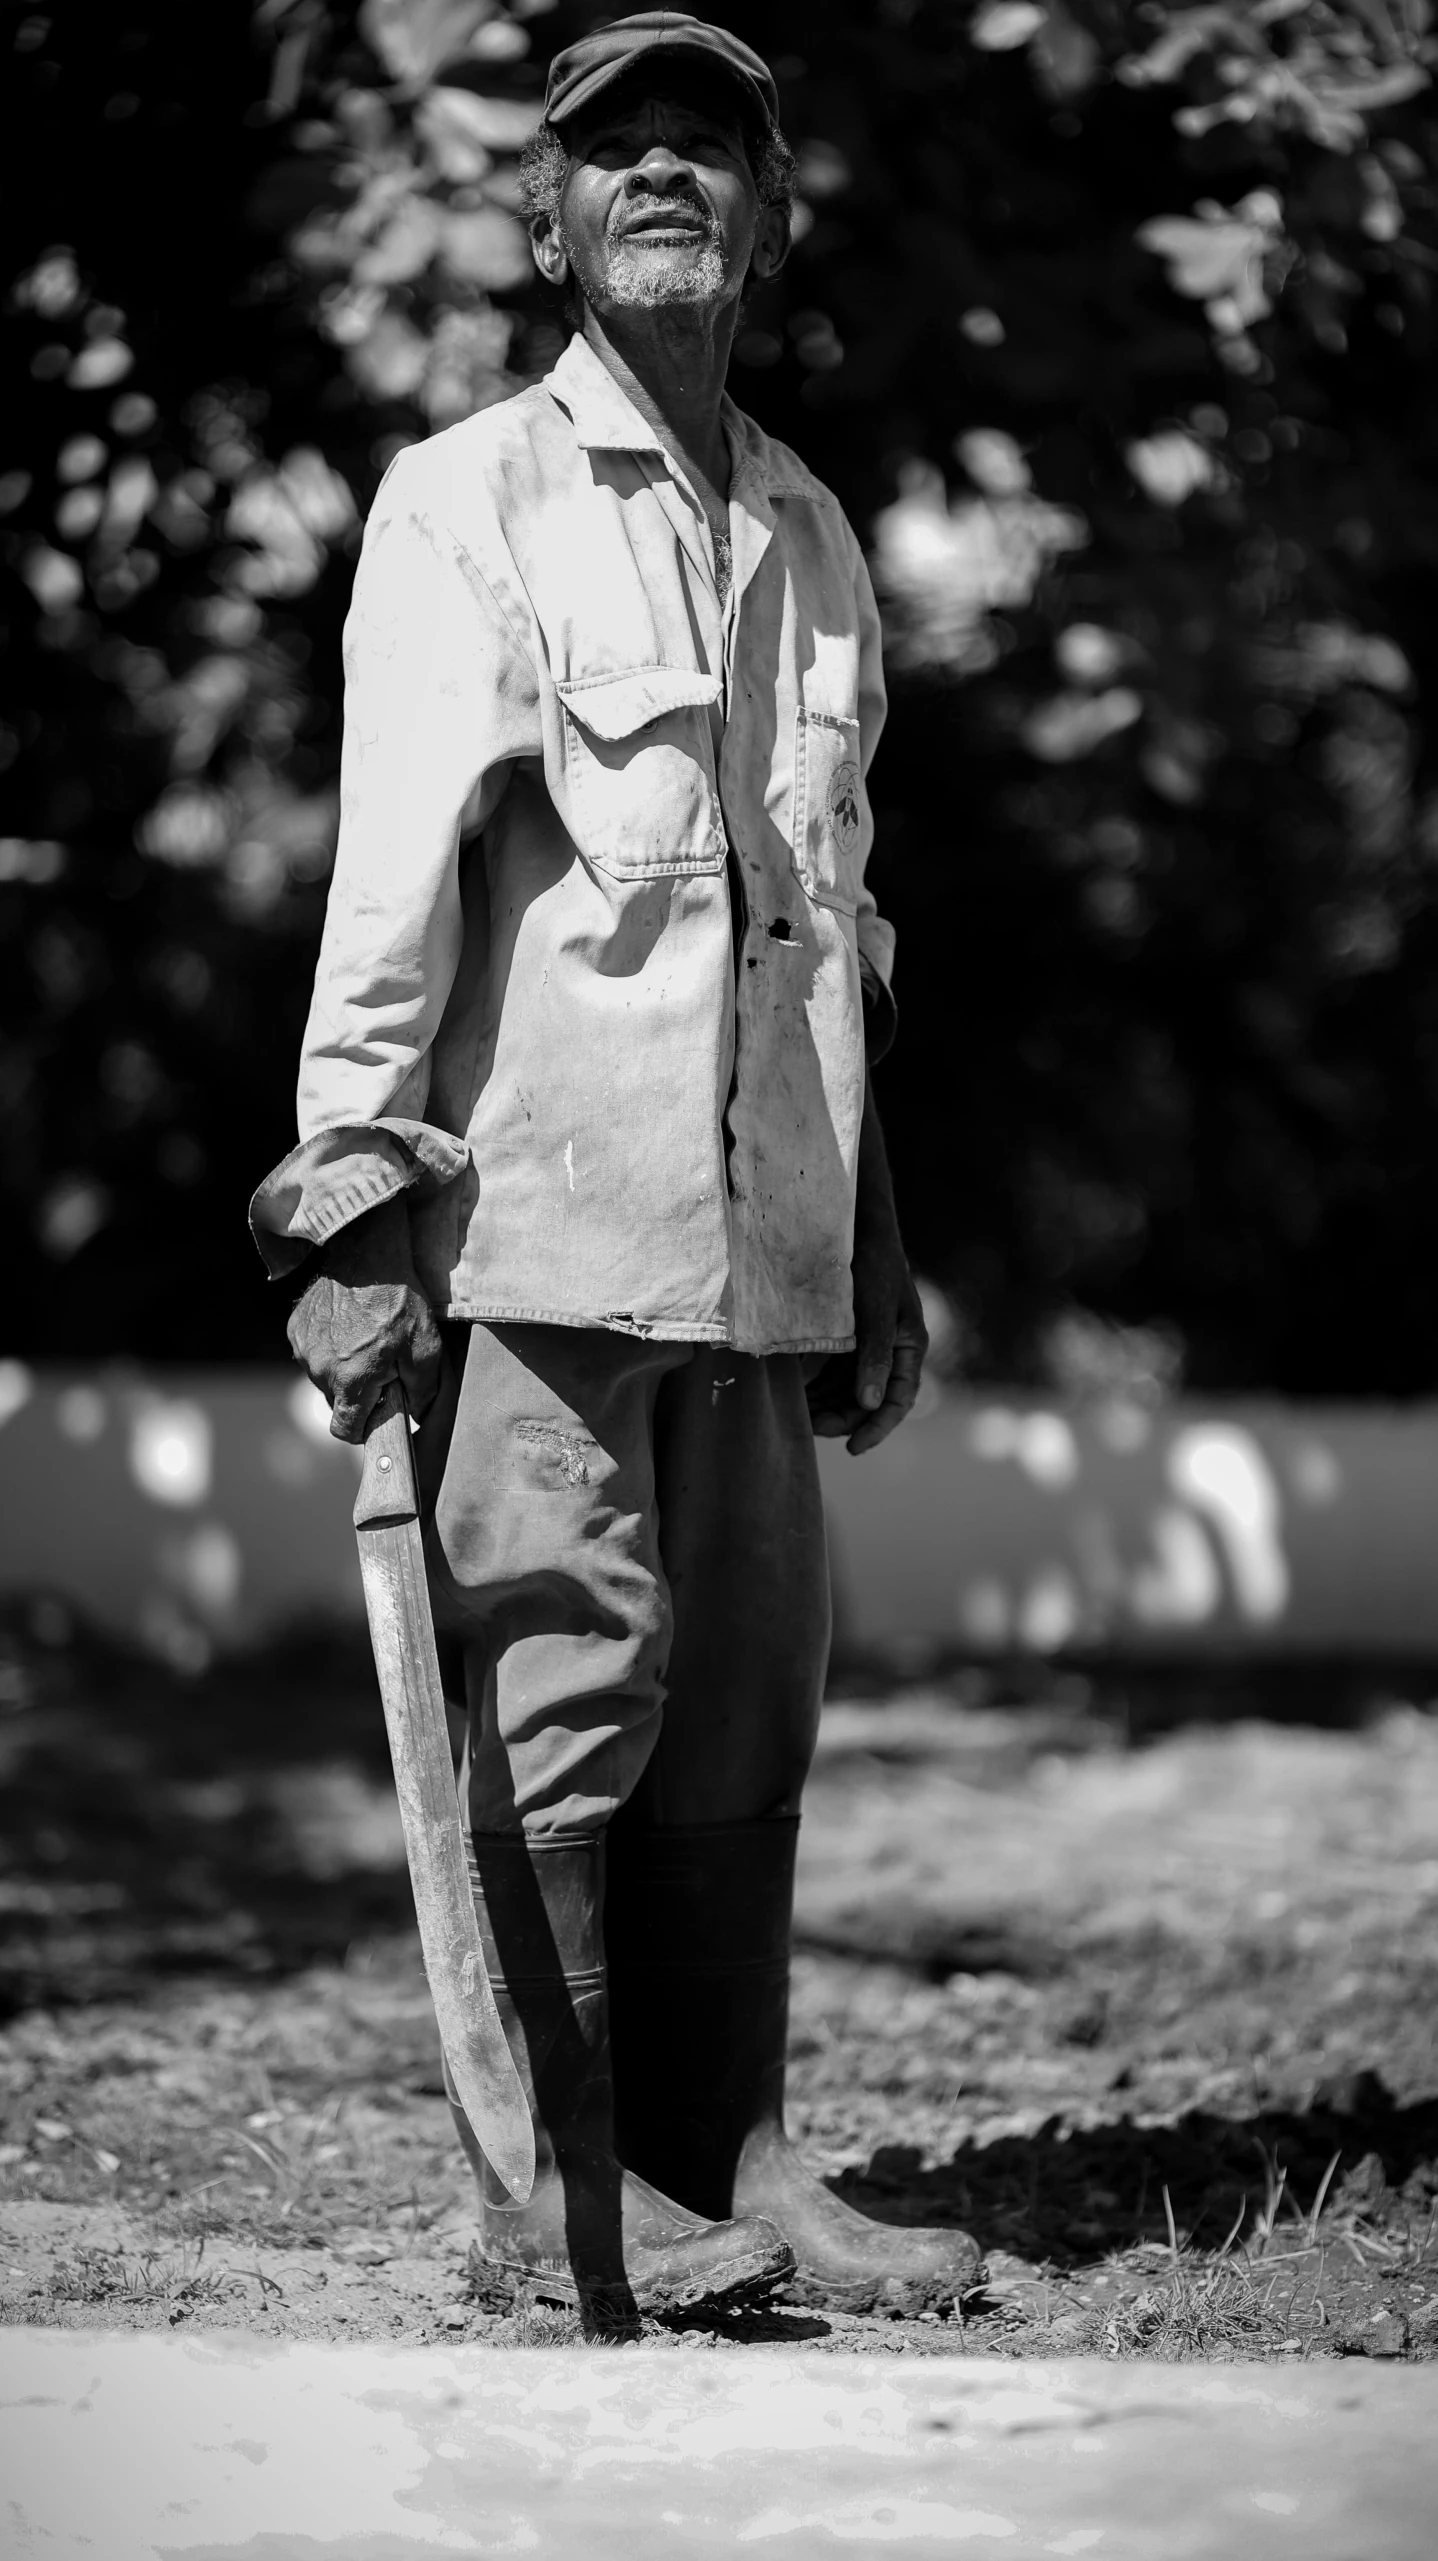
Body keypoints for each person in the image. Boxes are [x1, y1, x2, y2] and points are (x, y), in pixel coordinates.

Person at [251, 10, 981, 2325]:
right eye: (612, 151)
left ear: (765, 218)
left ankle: (727, 2156)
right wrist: (350, 1208)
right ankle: (549, 2194)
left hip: (761, 1254)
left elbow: (831, 921)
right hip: (544, 1234)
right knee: (570, 1674)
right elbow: (393, 890)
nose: (661, 174)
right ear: (548, 219)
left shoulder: (816, 530)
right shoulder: (462, 499)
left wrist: (867, 1239)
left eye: (708, 148)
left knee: (744, 1694)